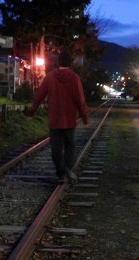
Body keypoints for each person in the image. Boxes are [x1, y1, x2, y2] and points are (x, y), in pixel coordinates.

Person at [26, 50, 89, 184]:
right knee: (70, 146)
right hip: (70, 119)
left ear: (57, 63)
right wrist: (84, 116)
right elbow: (80, 99)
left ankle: (60, 173)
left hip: (54, 119)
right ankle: (67, 169)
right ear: (70, 63)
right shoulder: (74, 78)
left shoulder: (49, 77)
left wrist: (32, 112)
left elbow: (39, 96)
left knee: (56, 147)